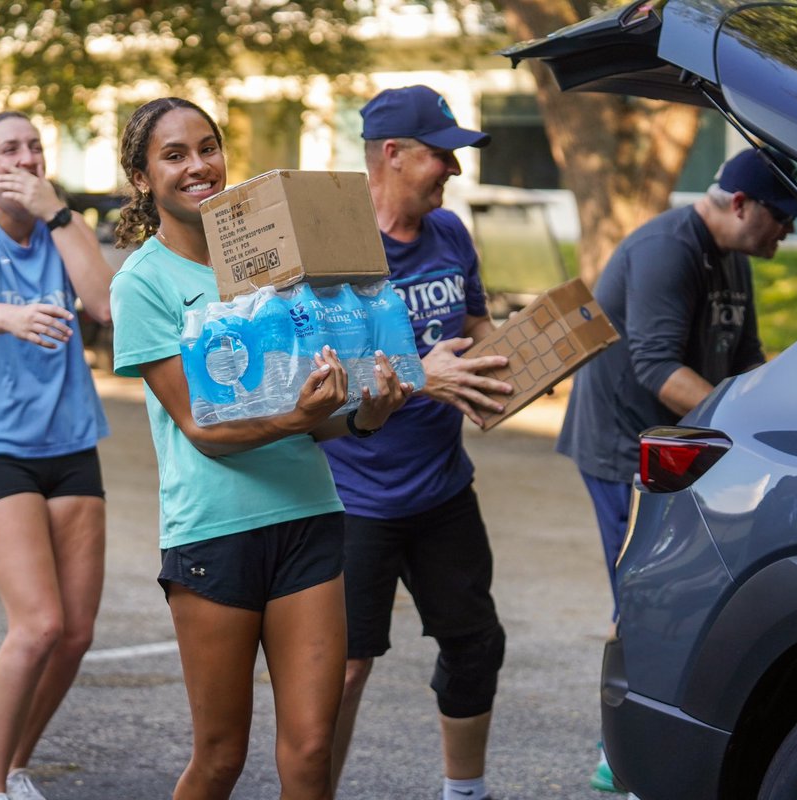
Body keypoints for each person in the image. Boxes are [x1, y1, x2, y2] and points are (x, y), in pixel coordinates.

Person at [108, 96, 412, 800]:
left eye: (207, 147)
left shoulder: (270, 266)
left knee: (310, 749)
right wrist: (296, 418)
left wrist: (363, 418)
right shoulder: (142, 284)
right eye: (174, 155)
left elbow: (313, 415)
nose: (198, 166)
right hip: (216, 533)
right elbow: (204, 430)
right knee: (220, 758)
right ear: (143, 178)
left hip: (309, 516)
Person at [556, 147, 797, 792]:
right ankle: (620, 754)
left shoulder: (734, 255)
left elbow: (747, 358)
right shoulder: (667, 249)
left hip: (686, 442)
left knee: (682, 589)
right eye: (782, 215)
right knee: (643, 591)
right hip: (625, 444)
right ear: (741, 204)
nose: (788, 229)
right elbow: (656, 367)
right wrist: (739, 437)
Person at [319, 85, 515, 800]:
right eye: (443, 156)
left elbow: (475, 325)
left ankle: (466, 793)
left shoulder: (450, 234)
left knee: (475, 645)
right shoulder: (336, 249)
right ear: (393, 154)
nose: (454, 171)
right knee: (344, 667)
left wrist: (515, 363)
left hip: (441, 489)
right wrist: (418, 374)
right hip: (355, 498)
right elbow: (316, 375)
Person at [0, 111, 114, 800]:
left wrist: (59, 214)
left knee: (75, 635)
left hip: (71, 444)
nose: (27, 157)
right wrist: (11, 316)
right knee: (39, 624)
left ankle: (15, 767)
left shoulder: (59, 230)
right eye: (9, 149)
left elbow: (103, 304)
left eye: (36, 147)